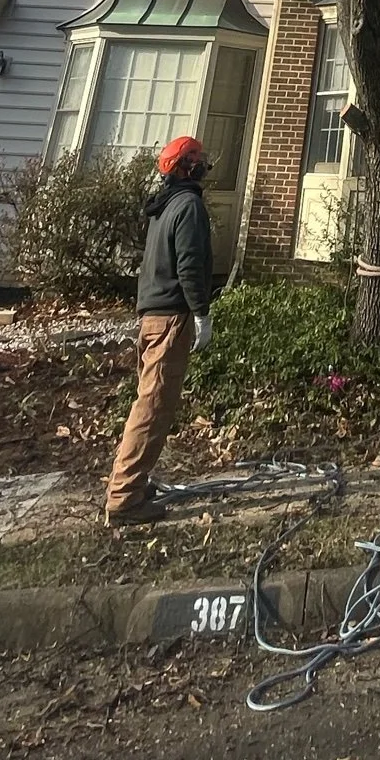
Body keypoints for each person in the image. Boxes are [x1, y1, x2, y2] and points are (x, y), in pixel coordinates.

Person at [105, 134, 215, 527]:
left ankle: (133, 482)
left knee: (147, 403)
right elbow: (189, 264)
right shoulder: (188, 206)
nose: (204, 165)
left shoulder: (164, 206)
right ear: (186, 166)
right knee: (153, 409)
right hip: (171, 318)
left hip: (151, 316)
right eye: (198, 159)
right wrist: (201, 313)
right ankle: (124, 498)